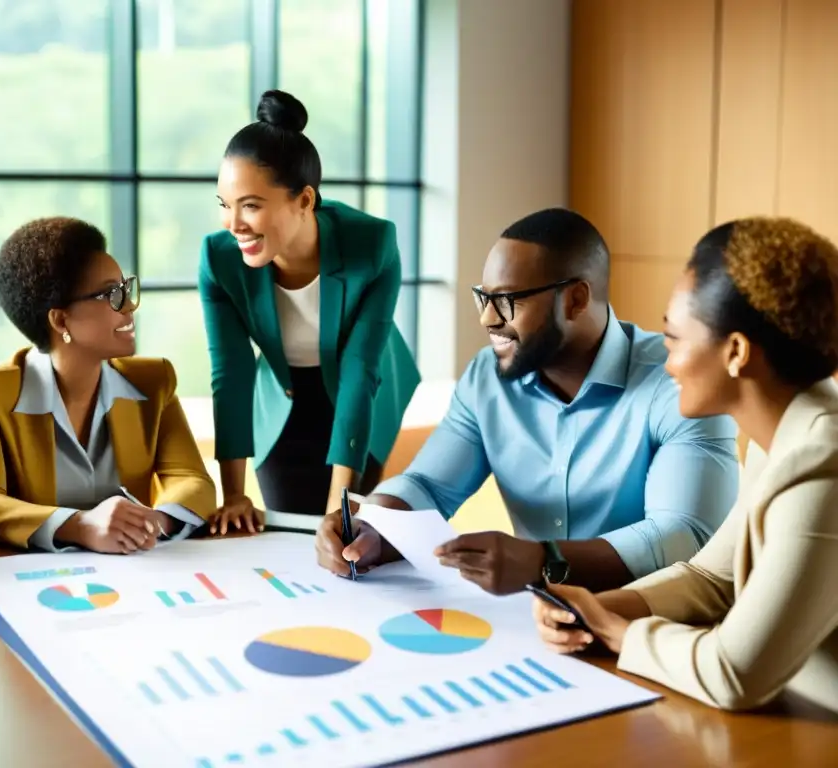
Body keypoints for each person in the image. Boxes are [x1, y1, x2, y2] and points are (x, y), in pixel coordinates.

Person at [316, 207, 740, 593]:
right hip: (540, 622)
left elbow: (684, 534)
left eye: (508, 300)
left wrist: (545, 561)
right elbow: (428, 485)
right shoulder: (487, 377)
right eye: (484, 297)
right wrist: (374, 524)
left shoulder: (678, 382)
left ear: (575, 299)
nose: (487, 318)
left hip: (653, 624)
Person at [532, 217, 838, 714]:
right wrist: (601, 605)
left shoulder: (823, 464)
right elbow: (713, 579)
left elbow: (736, 675)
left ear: (736, 351)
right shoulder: (783, 432)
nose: (666, 361)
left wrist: (617, 631)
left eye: (674, 338)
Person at [199, 89, 420, 530]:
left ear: (304, 200)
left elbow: (361, 372)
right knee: (286, 532)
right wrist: (235, 496)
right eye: (225, 205)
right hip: (282, 395)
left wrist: (339, 509)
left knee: (346, 532)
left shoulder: (372, 245)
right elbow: (232, 373)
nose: (233, 224)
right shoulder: (218, 258)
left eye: (251, 206)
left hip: (361, 389)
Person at [0, 217, 216, 554]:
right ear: (60, 320)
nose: (130, 305)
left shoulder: (154, 382)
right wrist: (81, 526)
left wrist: (149, 523)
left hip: (138, 576)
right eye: (112, 294)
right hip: (38, 587)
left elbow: (193, 480)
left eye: (126, 289)